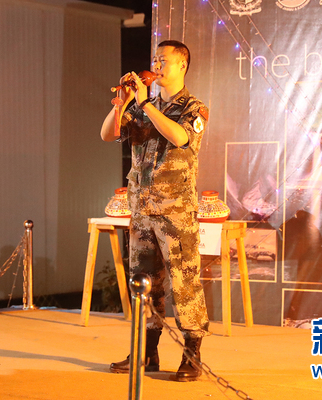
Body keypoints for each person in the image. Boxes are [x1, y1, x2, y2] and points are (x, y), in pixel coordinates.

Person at [100, 40, 210, 382]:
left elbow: (179, 138)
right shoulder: (140, 106)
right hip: (142, 211)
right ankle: (146, 352)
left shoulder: (194, 108)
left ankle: (192, 355)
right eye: (155, 60)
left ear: (182, 65)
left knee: (184, 283)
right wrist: (122, 102)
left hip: (176, 213)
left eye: (164, 60)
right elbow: (107, 135)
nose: (157, 65)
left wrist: (146, 104)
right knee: (144, 283)